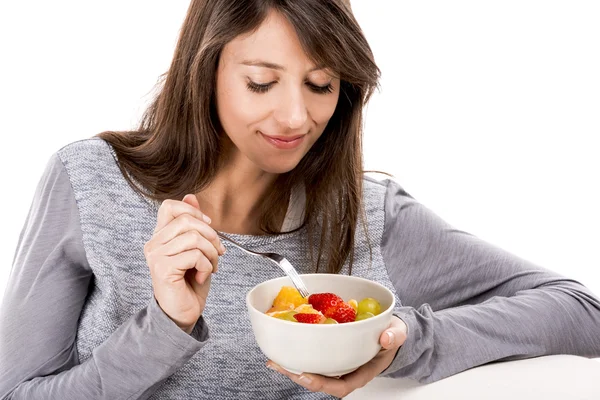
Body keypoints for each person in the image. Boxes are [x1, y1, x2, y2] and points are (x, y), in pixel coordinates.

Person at [1, 0, 599, 398]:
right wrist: (166, 325)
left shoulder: (368, 215)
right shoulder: (91, 182)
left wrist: (399, 342)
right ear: (203, 72)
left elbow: (581, 312)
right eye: (261, 82)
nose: (295, 116)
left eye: (321, 85)